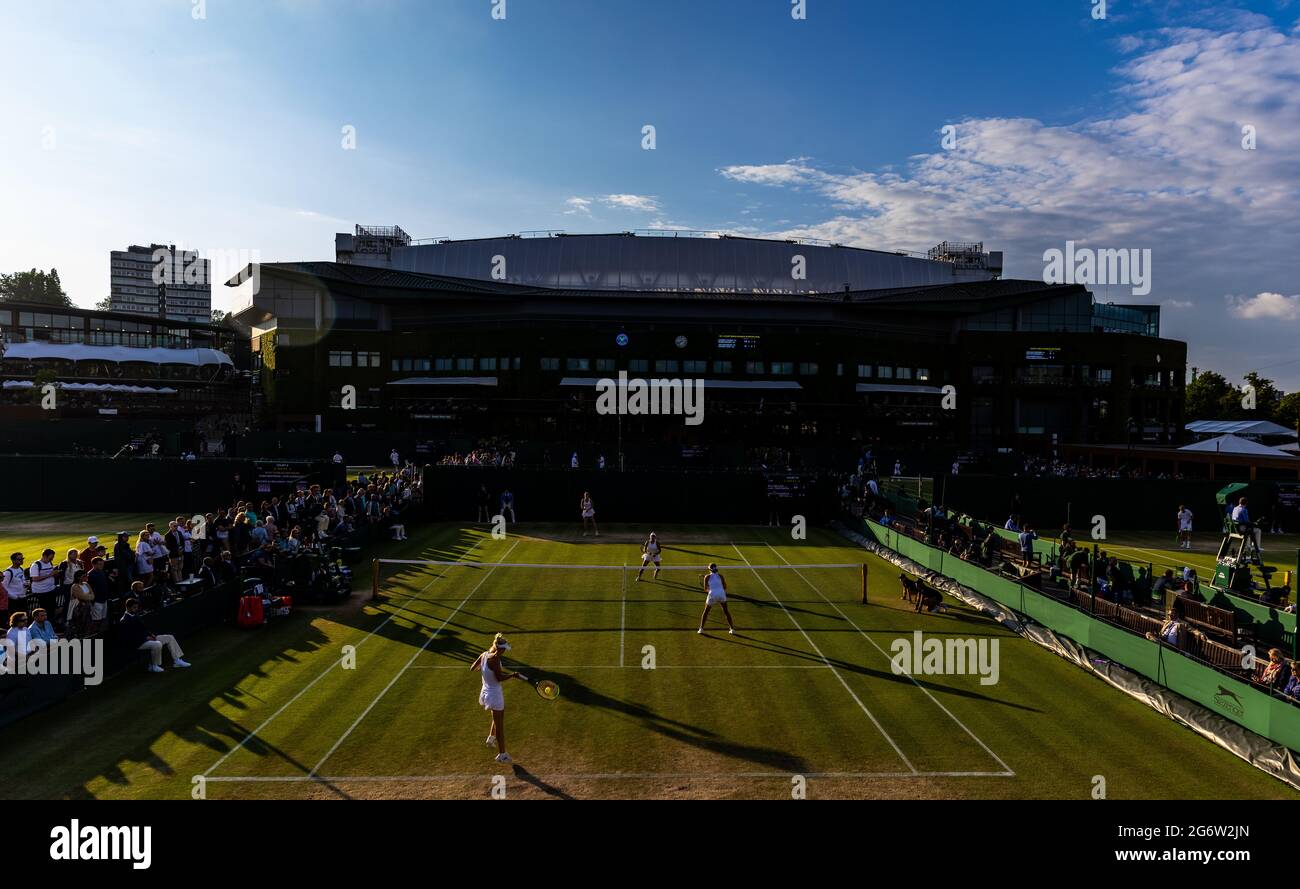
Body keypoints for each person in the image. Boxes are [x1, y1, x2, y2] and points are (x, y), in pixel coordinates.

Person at [470, 632, 522, 764]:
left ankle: (491, 738)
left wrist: (484, 672)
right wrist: (512, 675)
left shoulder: (484, 655)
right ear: (501, 649)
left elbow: (472, 668)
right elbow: (499, 678)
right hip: (495, 695)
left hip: (486, 692)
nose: (505, 651)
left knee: (498, 717)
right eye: (505, 649)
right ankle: (502, 754)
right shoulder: (495, 660)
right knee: (500, 725)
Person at [119, 598, 190, 673]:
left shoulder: (135, 615)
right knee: (157, 644)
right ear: (128, 607)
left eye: (136, 607)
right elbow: (130, 637)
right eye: (134, 607)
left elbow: (143, 628)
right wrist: (146, 638)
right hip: (138, 643)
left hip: (146, 639)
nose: (136, 609)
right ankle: (153, 666)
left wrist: (151, 635)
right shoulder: (124, 621)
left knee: (170, 637)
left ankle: (177, 661)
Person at [697, 563, 736, 635]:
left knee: (706, 612)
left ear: (709, 569)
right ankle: (732, 629)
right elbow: (725, 587)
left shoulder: (707, 577)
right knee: (726, 611)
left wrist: (711, 589)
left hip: (712, 595)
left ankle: (701, 629)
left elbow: (705, 589)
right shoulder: (721, 576)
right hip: (721, 594)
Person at [29, 548, 56, 615]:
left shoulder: (49, 563)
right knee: (45, 611)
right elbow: (34, 578)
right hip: (41, 591)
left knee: (52, 609)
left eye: (52, 558)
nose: (51, 560)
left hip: (50, 589)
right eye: (50, 558)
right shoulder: (35, 565)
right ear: (44, 556)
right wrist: (49, 575)